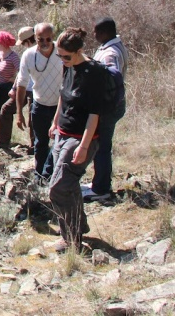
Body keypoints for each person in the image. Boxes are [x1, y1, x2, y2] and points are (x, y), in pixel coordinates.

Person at [48, 28, 112, 252]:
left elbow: (94, 114)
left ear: (80, 51)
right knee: (69, 184)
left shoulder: (94, 73)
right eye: (59, 56)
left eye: (66, 56)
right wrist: (55, 122)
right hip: (62, 135)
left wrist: (84, 146)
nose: (62, 60)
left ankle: (71, 238)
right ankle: (77, 227)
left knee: (57, 188)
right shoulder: (69, 66)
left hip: (81, 139)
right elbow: (63, 96)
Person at [83, 16, 129, 202]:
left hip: (108, 107)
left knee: (102, 147)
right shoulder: (112, 47)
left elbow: (111, 78)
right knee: (102, 146)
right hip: (112, 105)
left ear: (104, 32)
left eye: (95, 31)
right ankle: (99, 183)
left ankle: (101, 188)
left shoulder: (110, 53)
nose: (93, 34)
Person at [15, 23, 62, 180]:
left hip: (59, 107)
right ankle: (39, 175)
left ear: (53, 38)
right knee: (40, 142)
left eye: (48, 39)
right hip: (40, 105)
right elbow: (21, 83)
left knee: (58, 142)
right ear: (35, 38)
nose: (45, 43)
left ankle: (53, 175)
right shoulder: (28, 55)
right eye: (41, 39)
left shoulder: (62, 51)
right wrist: (19, 113)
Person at [0, 30, 21, 148]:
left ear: (3, 42)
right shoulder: (0, 54)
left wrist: (13, 79)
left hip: (6, 87)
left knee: (4, 114)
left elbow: (22, 72)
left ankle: (3, 141)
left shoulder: (13, 57)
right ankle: (0, 138)